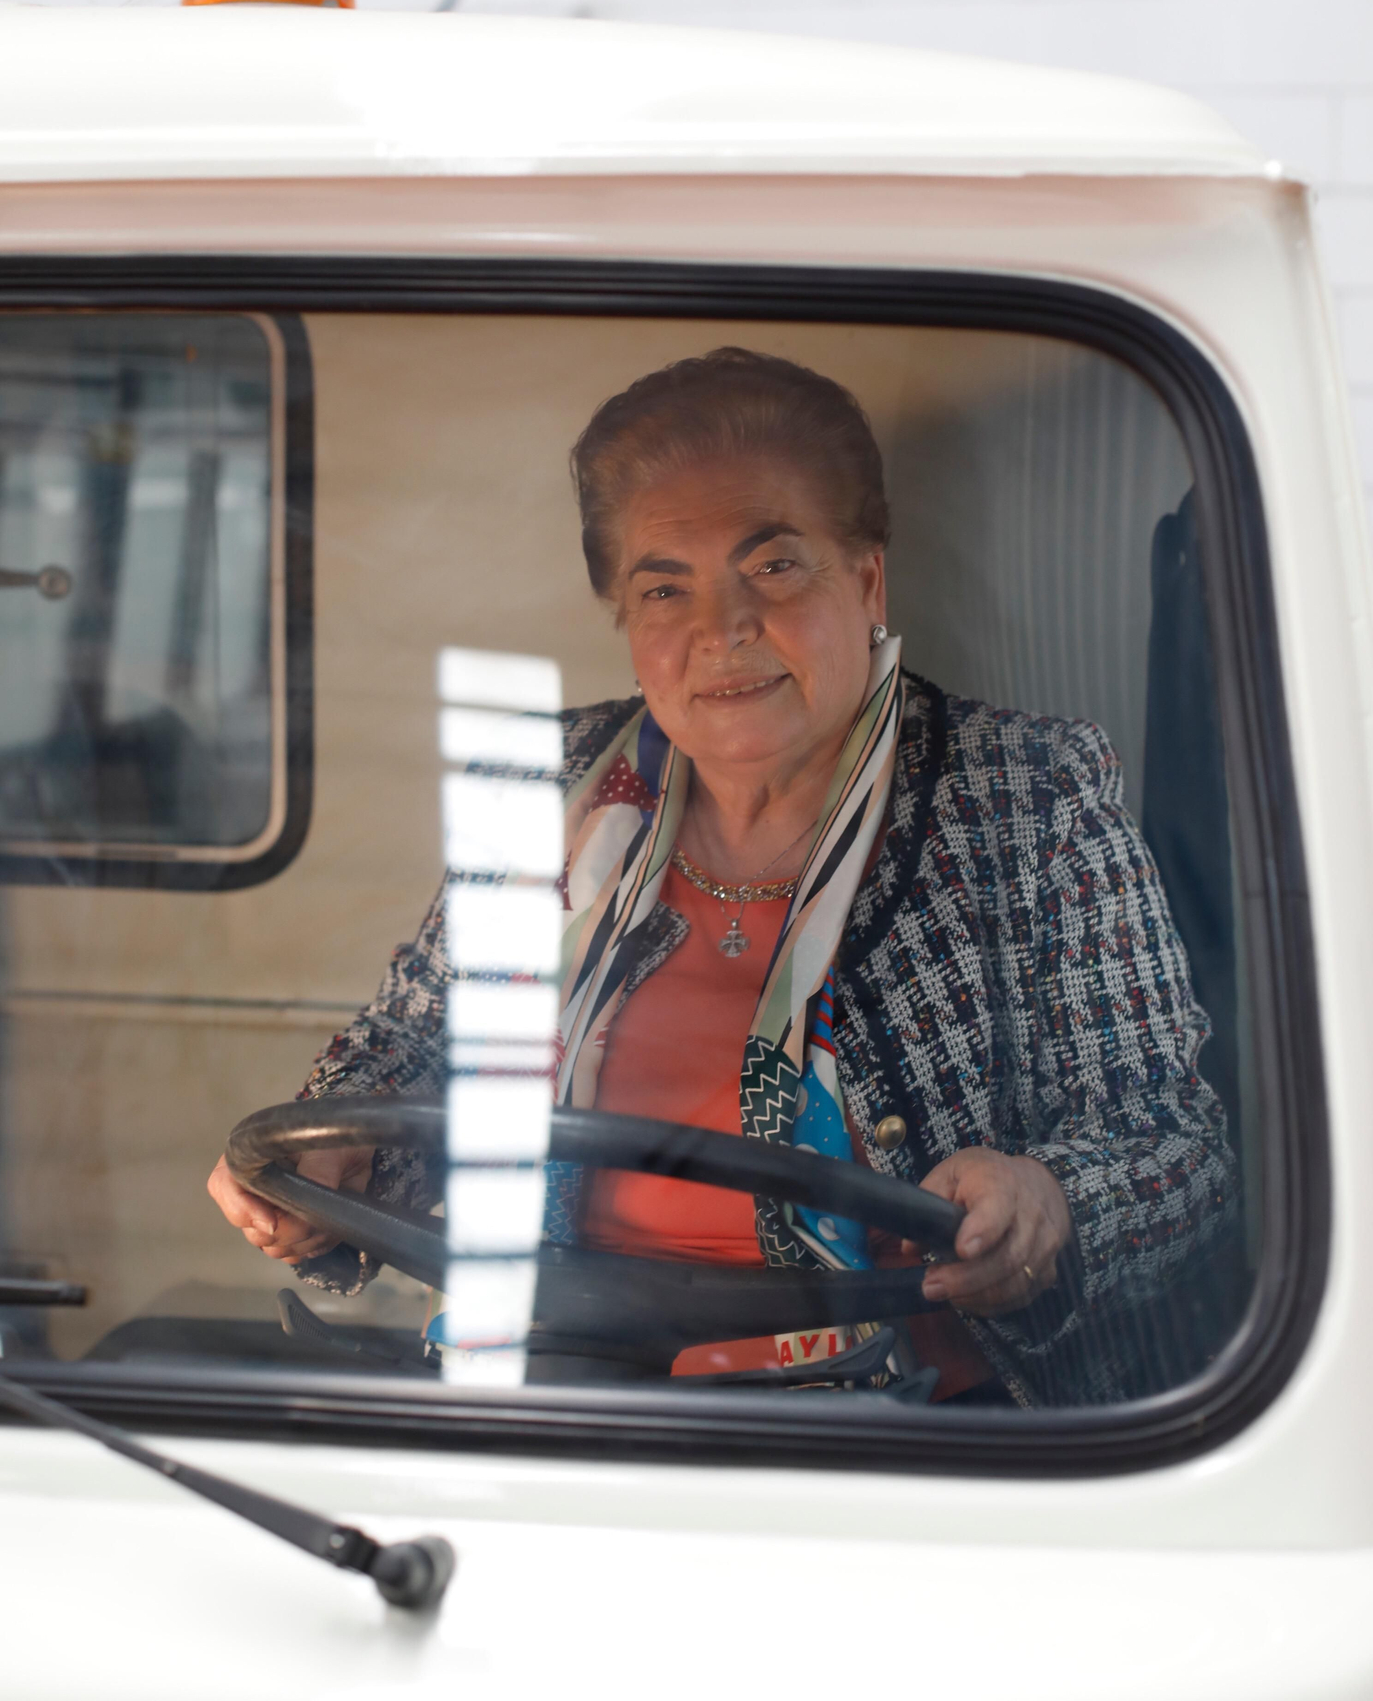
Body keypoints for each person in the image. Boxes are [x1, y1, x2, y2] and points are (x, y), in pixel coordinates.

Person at [208, 347, 1236, 1405]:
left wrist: (1044, 1201)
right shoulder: (546, 788)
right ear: (627, 618)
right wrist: (330, 1160)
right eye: (665, 585)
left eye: (775, 564)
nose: (722, 626)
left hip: (904, 1428)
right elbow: (404, 1059)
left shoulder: (1027, 791)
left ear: (866, 576)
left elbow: (1176, 1149)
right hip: (547, 1385)